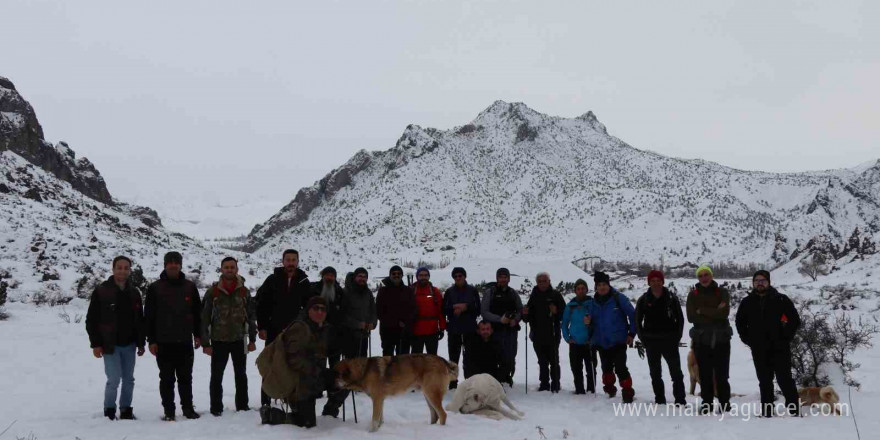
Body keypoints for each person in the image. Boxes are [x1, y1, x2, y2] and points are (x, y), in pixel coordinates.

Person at [86, 256, 146, 420]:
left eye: (126, 268)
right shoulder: (102, 291)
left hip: (129, 344)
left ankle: (126, 409)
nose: (122, 270)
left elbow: (139, 320)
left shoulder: (134, 293)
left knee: (129, 379)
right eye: (119, 267)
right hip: (109, 344)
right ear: (113, 269)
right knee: (113, 379)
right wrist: (96, 344)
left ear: (130, 270)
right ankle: (109, 410)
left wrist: (141, 343)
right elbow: (91, 320)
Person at [144, 251, 203, 421]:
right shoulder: (155, 288)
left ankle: (188, 409)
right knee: (166, 379)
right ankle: (169, 411)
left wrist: (198, 335)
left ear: (180, 265)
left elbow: (196, 313)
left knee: (186, 378)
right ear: (164, 265)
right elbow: (149, 316)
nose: (173, 265)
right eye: (170, 262)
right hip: (163, 342)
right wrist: (151, 340)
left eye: (176, 262)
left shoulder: (189, 287)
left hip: (184, 341)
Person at [735, 270, 801, 417]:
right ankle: (767, 411)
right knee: (764, 381)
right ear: (753, 283)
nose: (760, 283)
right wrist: (748, 339)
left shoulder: (781, 299)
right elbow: (740, 322)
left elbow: (794, 320)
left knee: (785, 379)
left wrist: (785, 337)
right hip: (759, 348)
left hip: (780, 348)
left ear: (769, 282)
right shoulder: (747, 302)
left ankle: (794, 410)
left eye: (763, 280)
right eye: (757, 280)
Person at [200, 257, 257, 416]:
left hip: (240, 339)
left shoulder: (244, 291)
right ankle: (216, 408)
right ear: (221, 269)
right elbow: (204, 318)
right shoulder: (213, 291)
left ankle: (242, 406)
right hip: (218, 340)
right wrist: (206, 343)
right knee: (216, 376)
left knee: (241, 375)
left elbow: (251, 316)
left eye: (232, 267)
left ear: (237, 269)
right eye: (226, 267)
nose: (229, 270)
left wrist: (252, 339)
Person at [256, 249, 311, 407]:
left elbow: (308, 307)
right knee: (271, 364)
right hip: (273, 329)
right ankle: (266, 400)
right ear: (283, 262)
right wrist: (262, 326)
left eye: (294, 260)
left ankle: (290, 399)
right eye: (288, 260)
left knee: (293, 364)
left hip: (295, 332)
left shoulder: (303, 281)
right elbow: (262, 304)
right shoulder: (272, 280)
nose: (291, 263)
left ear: (298, 262)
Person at [322, 267, 376, 418]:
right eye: (360, 276)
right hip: (348, 336)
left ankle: (356, 387)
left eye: (364, 277)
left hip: (364, 336)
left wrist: (373, 322)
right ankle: (339, 397)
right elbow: (343, 316)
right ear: (354, 277)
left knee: (361, 366)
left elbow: (373, 311)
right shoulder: (346, 293)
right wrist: (357, 324)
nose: (362, 279)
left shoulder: (368, 293)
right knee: (349, 369)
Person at [635, 270, 686, 405]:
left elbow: (680, 319)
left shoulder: (671, 298)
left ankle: (680, 400)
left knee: (676, 373)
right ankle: (660, 399)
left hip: (670, 341)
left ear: (663, 282)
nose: (656, 283)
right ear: (649, 283)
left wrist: (677, 337)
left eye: (658, 280)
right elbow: (637, 321)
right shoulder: (643, 300)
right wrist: (643, 339)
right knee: (655, 374)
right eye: (653, 281)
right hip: (651, 341)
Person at [686, 265, 732, 414]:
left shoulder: (723, 292)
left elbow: (724, 313)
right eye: (701, 275)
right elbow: (691, 316)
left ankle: (725, 404)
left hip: (721, 340)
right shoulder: (692, 295)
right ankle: (707, 404)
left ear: (711, 276)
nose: (704, 278)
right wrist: (715, 310)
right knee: (704, 375)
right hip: (701, 340)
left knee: (722, 375)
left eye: (706, 274)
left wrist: (703, 311)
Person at [282, 296, 334, 428]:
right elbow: (293, 360)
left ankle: (330, 412)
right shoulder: (299, 328)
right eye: (315, 308)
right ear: (308, 310)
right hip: (299, 383)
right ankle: (273, 415)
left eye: (323, 309)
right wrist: (317, 371)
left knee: (345, 380)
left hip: (315, 378)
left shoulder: (325, 328)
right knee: (306, 423)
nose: (320, 312)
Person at [588, 271, 637, 403]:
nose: (602, 287)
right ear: (596, 287)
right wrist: (588, 323)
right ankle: (610, 389)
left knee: (621, 367)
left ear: (608, 285)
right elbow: (591, 322)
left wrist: (631, 333)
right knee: (606, 368)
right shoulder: (593, 303)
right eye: (599, 285)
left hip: (618, 340)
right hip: (602, 341)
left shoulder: (618, 298)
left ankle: (627, 391)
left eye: (604, 284)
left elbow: (633, 316)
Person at [522, 272, 565, 393]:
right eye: (539, 281)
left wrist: (556, 311)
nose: (542, 283)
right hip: (537, 334)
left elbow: (564, 314)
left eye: (544, 281)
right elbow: (527, 318)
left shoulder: (556, 295)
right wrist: (524, 313)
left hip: (553, 333)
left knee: (554, 360)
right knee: (542, 361)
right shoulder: (534, 296)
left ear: (549, 281)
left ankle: (556, 384)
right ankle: (544, 384)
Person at [480, 268, 523, 387]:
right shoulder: (490, 292)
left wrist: (515, 319)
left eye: (505, 277)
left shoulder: (513, 293)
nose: (503, 279)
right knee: (494, 354)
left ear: (509, 278)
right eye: (501, 277)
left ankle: (507, 376)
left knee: (510, 354)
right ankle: (494, 378)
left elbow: (520, 310)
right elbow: (484, 311)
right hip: (494, 330)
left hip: (510, 330)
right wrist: (500, 319)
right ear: (497, 278)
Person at [443, 267, 481, 389]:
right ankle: (453, 383)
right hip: (454, 328)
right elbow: (444, 309)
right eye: (456, 276)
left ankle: (469, 382)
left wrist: (466, 308)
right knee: (453, 358)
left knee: (470, 357)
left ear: (465, 276)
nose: (458, 278)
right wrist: (454, 308)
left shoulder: (473, 290)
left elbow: (478, 309)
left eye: (460, 275)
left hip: (470, 328)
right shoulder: (449, 292)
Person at [561, 278, 594, 394]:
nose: (581, 291)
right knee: (576, 369)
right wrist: (567, 338)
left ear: (586, 290)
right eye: (578, 289)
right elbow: (564, 323)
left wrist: (593, 337)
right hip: (575, 343)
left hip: (589, 342)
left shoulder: (592, 304)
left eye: (583, 288)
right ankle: (579, 390)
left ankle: (591, 389)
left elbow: (598, 322)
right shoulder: (570, 306)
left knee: (591, 369)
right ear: (575, 290)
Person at [376, 265, 416, 356]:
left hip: (404, 331)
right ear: (390, 275)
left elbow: (413, 309)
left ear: (402, 275)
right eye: (394, 273)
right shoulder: (383, 291)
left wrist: (406, 322)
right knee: (387, 360)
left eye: (399, 273)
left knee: (403, 360)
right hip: (387, 331)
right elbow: (379, 311)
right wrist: (394, 322)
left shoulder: (408, 291)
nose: (396, 275)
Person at [410, 267, 446, 355]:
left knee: (432, 359)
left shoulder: (435, 291)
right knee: (416, 360)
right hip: (416, 331)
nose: (423, 277)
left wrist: (442, 327)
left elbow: (440, 311)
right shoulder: (411, 290)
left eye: (426, 275)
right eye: (421, 275)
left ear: (429, 277)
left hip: (432, 331)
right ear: (417, 277)